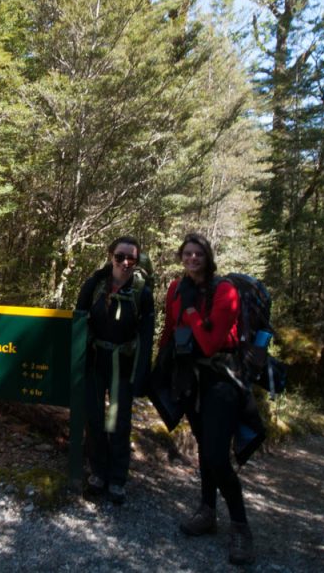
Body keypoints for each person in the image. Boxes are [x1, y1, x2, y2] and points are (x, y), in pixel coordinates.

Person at [157, 232, 256, 565]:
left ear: (207, 257)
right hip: (189, 377)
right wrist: (159, 366)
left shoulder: (224, 290)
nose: (192, 259)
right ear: (180, 257)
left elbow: (211, 341)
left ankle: (241, 528)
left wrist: (192, 315)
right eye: (187, 254)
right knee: (203, 446)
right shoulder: (175, 288)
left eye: (198, 254)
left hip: (222, 379)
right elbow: (170, 329)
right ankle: (207, 511)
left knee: (216, 454)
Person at [75, 235, 155, 505]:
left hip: (124, 365)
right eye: (120, 256)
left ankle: (118, 479)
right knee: (95, 417)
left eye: (131, 257)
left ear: (137, 259)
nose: (125, 262)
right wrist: (77, 362)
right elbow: (79, 321)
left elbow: (146, 336)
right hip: (96, 360)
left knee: (118, 423)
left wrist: (142, 374)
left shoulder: (142, 292)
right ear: (110, 256)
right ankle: (98, 472)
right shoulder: (95, 284)